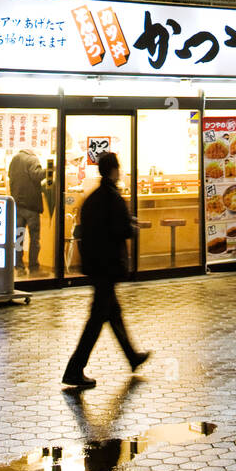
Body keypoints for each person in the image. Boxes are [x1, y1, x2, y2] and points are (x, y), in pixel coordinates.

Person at [62, 152, 151, 389]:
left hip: (96, 265)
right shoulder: (112, 198)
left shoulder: (92, 198)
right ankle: (74, 369)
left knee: (113, 313)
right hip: (107, 266)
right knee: (97, 318)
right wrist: (132, 226)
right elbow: (120, 229)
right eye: (118, 167)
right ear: (112, 170)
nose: (120, 171)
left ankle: (132, 356)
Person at [8, 147, 43, 273]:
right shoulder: (32, 159)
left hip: (17, 204)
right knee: (34, 237)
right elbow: (37, 175)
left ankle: (19, 265)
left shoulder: (14, 159)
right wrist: (51, 169)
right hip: (31, 205)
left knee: (19, 236)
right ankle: (33, 266)